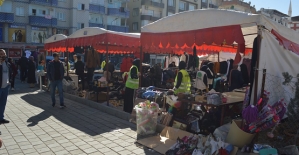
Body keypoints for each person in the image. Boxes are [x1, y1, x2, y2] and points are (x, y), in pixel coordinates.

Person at [0, 49, 12, 124]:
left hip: (5, 87)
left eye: (3, 54)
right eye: (0, 54)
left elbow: (9, 73)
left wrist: (9, 81)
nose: (2, 55)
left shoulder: (7, 63)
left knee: (3, 103)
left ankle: (1, 118)